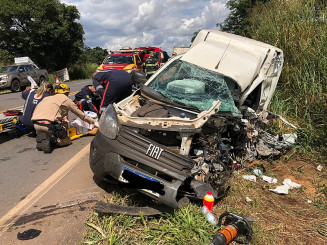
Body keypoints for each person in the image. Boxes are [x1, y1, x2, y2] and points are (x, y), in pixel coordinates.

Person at [31, 83, 98, 153]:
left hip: (36, 124)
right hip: (48, 124)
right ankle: (52, 139)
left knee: (55, 128)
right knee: (67, 140)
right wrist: (93, 122)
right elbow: (81, 115)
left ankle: (43, 139)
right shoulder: (66, 100)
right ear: (66, 92)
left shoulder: (47, 98)